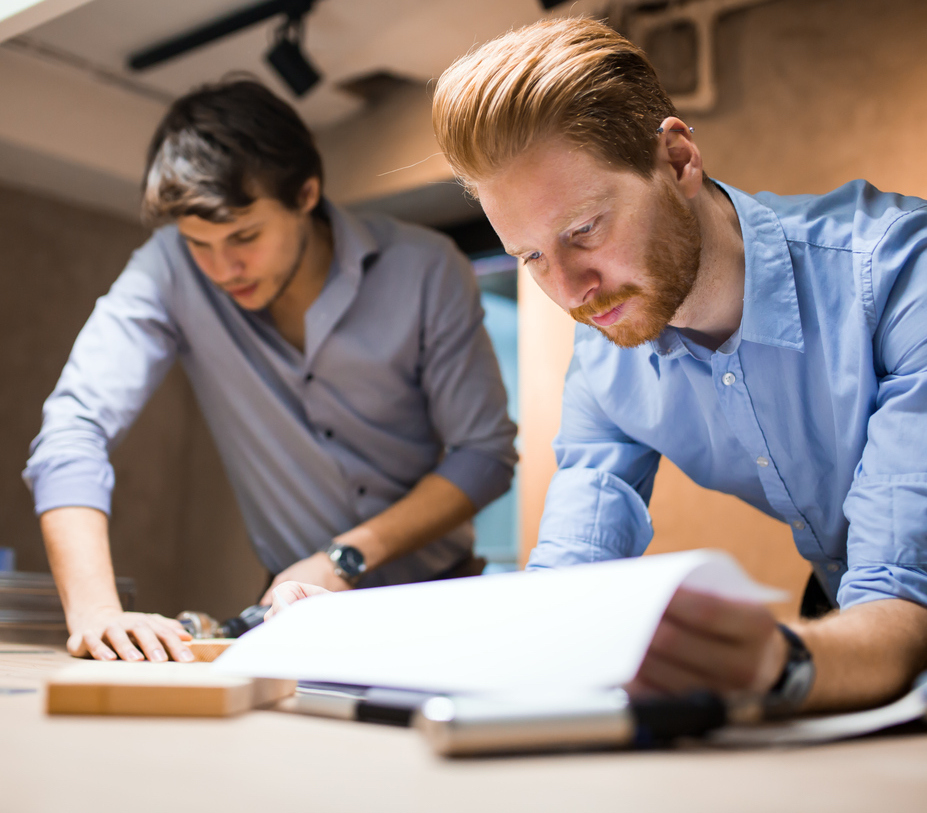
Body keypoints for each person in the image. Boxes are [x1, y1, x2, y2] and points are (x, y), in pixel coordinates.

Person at [428, 17, 927, 714]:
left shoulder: (902, 274)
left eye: (582, 231)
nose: (569, 291)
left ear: (677, 158)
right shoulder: (607, 351)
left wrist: (765, 660)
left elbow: (899, 599)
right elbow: (569, 570)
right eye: (531, 256)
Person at [24, 80, 517, 664]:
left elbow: (484, 455)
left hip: (438, 600)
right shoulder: (168, 270)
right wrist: (95, 612)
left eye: (245, 237)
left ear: (306, 194)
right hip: (286, 616)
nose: (221, 267)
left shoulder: (426, 269)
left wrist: (344, 558)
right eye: (198, 243)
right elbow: (71, 430)